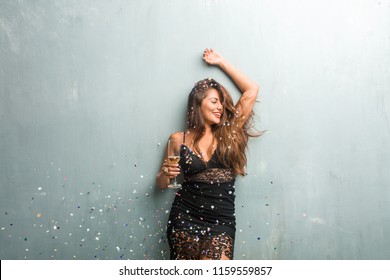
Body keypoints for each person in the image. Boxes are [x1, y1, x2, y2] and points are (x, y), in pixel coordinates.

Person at [156, 48, 261, 260]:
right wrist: (165, 175)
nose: (220, 107)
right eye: (214, 101)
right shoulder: (178, 139)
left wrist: (221, 62)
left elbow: (251, 89)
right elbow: (163, 184)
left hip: (221, 222)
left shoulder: (230, 131)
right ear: (198, 104)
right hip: (184, 217)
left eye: (221, 102)